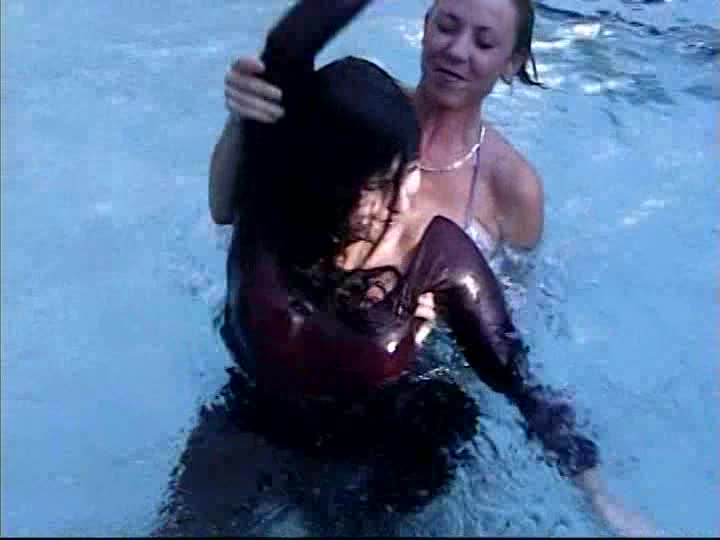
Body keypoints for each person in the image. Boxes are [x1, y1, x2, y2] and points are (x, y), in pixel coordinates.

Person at [199, 0, 657, 536]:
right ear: (425, 25)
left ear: (511, 62)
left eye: (484, 41)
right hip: (264, 400)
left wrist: (598, 494)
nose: (457, 51)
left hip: (392, 412)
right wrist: (245, 110)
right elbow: (278, 75)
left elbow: (512, 361)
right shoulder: (351, 113)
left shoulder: (484, 216)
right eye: (447, 25)